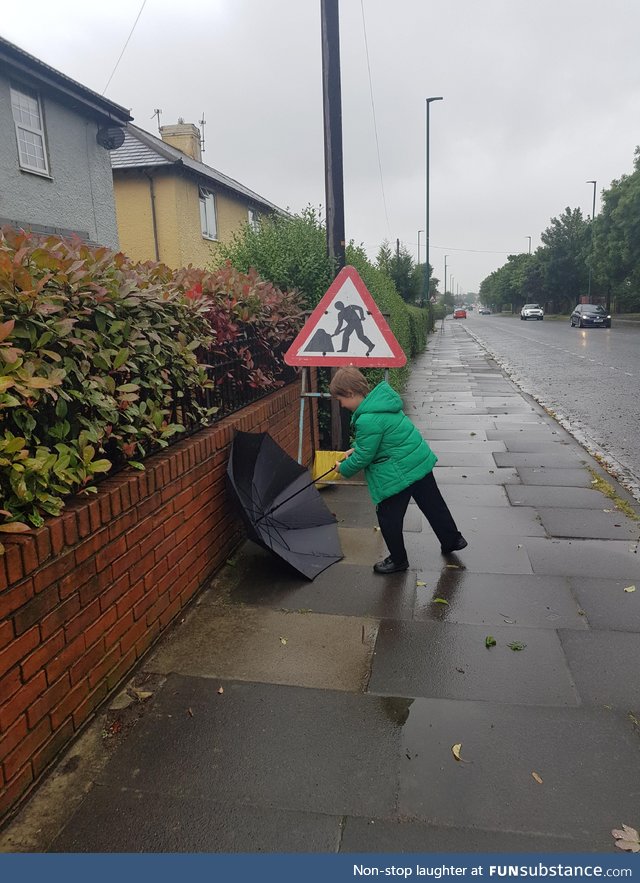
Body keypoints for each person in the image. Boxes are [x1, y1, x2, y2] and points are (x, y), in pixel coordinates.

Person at [330, 366, 467, 574]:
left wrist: (343, 468)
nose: (340, 404)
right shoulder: (382, 404)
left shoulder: (366, 419)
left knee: (388, 517)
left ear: (350, 393)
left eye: (340, 399)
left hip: (399, 472)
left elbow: (365, 456)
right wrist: (356, 447)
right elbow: (384, 438)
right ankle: (452, 539)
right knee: (433, 505)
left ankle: (398, 560)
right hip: (418, 461)